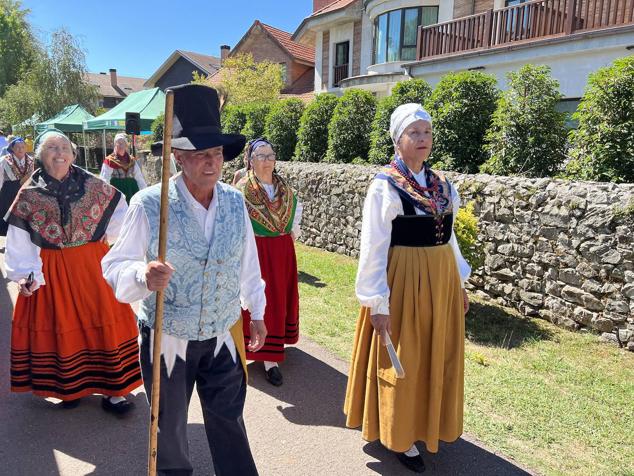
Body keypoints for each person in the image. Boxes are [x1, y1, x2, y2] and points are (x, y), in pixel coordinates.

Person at [102, 84, 267, 476]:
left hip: (222, 332)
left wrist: (256, 311)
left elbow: (248, 262)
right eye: (198, 156)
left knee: (229, 419)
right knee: (170, 428)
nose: (210, 164)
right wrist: (142, 275)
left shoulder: (234, 200)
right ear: (177, 157)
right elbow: (114, 265)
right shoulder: (149, 205)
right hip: (168, 337)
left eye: (215, 154)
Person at [343, 104, 471, 473]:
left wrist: (459, 282)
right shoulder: (385, 185)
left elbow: (449, 238)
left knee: (437, 353)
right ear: (397, 140)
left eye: (427, 133)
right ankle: (400, 434)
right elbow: (373, 246)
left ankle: (429, 421)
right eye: (414, 133)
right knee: (405, 356)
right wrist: (376, 302)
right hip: (404, 283)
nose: (422, 140)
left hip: (441, 281)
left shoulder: (443, 185)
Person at [4, 129, 142, 414]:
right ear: (41, 155)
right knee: (62, 325)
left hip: (92, 264)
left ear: (73, 154)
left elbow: (120, 210)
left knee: (104, 319)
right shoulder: (29, 193)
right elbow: (19, 238)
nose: (60, 153)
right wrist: (24, 274)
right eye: (52, 148)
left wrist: (110, 235)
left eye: (65, 147)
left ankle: (114, 391)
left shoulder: (93, 184)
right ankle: (69, 387)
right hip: (51, 268)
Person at [235, 138, 302, 386]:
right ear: (251, 161)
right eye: (261, 156)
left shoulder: (286, 190)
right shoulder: (242, 190)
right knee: (260, 297)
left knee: (279, 298)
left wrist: (286, 235)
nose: (267, 161)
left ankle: (272, 352)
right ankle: (262, 354)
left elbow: (295, 221)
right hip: (256, 250)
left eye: (271, 155)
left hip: (282, 251)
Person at [0, 137, 35, 236]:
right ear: (12, 149)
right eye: (18, 147)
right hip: (8, 191)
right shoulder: (4, 160)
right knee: (6, 213)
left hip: (25, 191)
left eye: (23, 147)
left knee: (22, 215)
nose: (21, 149)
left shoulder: (31, 161)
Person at [100, 132, 147, 202]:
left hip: (131, 191)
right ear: (115, 145)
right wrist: (105, 195)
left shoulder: (132, 160)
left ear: (126, 145)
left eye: (122, 143)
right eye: (118, 143)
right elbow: (104, 179)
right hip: (117, 193)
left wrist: (144, 192)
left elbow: (139, 177)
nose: (120, 145)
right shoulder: (109, 161)